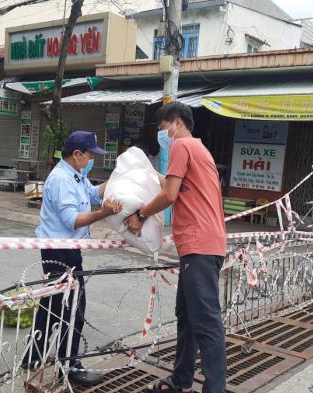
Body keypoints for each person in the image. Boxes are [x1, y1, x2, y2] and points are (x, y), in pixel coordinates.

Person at [126, 102, 227, 393]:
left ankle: (214, 388)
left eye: (163, 129)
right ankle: (181, 380)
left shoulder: (182, 146)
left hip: (200, 245)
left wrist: (141, 214)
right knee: (187, 316)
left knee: (206, 321)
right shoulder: (200, 150)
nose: (164, 136)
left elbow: (169, 195)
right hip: (202, 245)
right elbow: (172, 185)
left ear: (177, 122)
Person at [22, 130, 120, 386]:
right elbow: (72, 219)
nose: (91, 160)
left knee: (52, 304)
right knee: (73, 308)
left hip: (64, 248)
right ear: (77, 154)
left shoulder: (76, 176)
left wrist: (122, 178)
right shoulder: (62, 180)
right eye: (90, 155)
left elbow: (95, 193)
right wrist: (104, 213)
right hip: (60, 250)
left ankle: (33, 356)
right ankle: (70, 366)